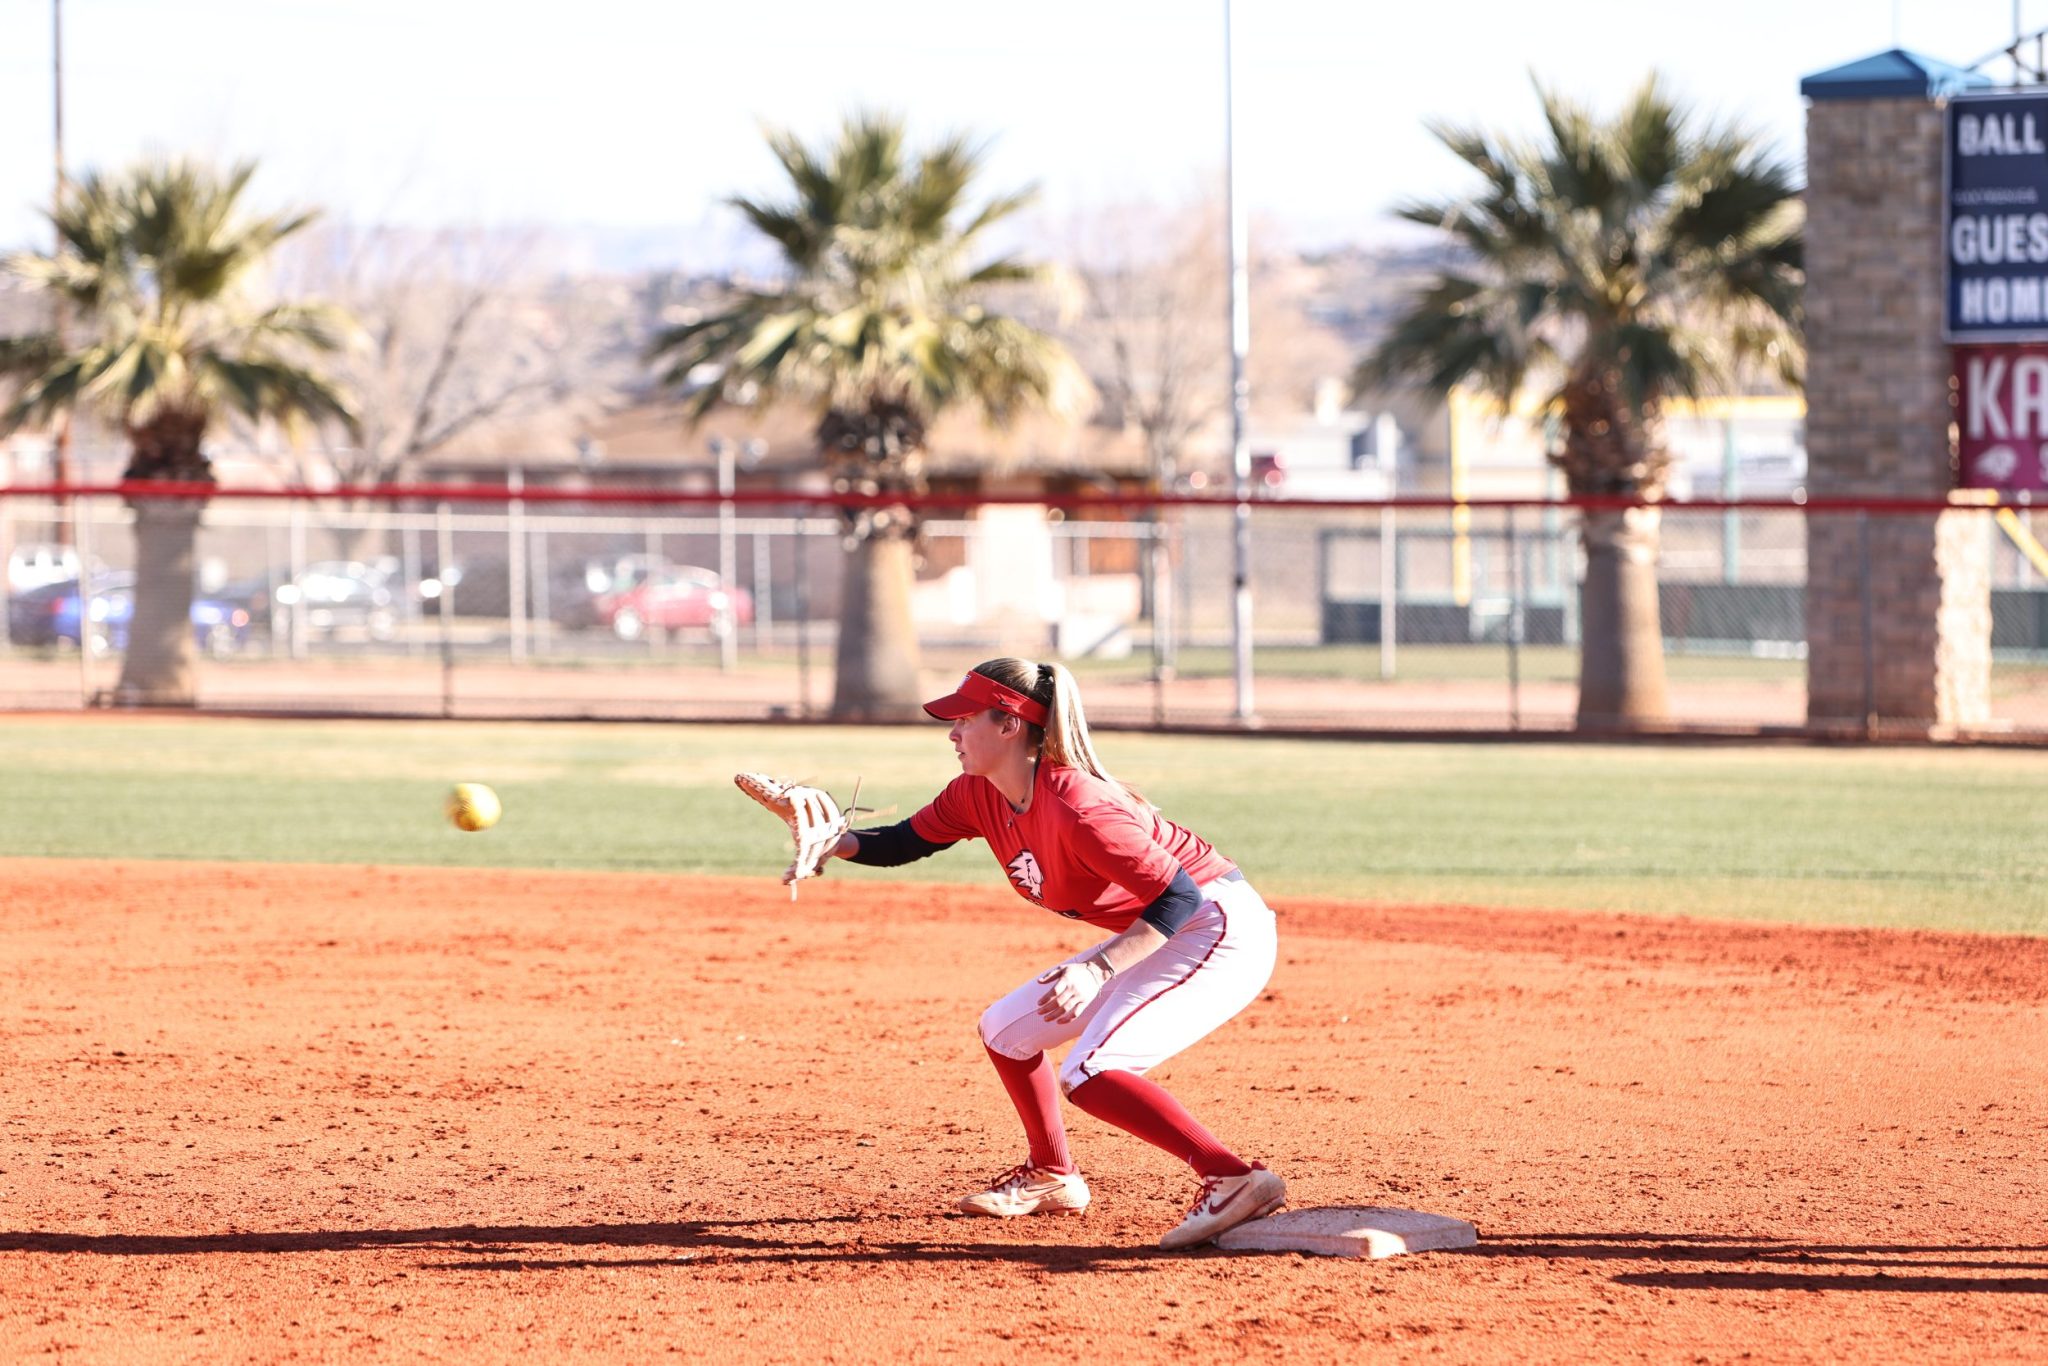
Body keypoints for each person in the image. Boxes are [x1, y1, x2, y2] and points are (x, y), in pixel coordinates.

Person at [807, 657, 1284, 1250]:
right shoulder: (979, 794)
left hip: (1214, 926)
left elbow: (1179, 895)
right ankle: (1053, 1174)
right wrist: (835, 841)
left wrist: (1098, 967)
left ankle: (1232, 1176)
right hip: (1164, 922)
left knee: (1091, 1069)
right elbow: (905, 841)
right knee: (1006, 1029)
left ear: (1008, 725)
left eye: (963, 719)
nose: (952, 733)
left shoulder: (1078, 807)